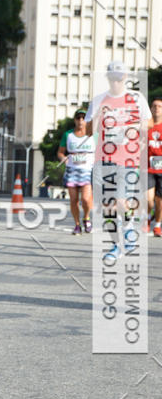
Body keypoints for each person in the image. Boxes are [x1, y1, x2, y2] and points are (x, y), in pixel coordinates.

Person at [86, 61, 151, 259]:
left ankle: (129, 226)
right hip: (102, 160)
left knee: (121, 203)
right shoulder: (98, 100)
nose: (116, 81)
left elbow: (145, 125)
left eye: (119, 77)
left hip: (126, 159)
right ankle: (116, 245)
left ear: (125, 77)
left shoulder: (137, 99)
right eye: (113, 77)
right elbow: (89, 132)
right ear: (108, 78)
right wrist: (98, 115)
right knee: (107, 207)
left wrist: (137, 137)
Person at [57, 110, 95, 234]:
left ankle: (86, 217)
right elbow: (61, 152)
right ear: (74, 120)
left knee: (85, 199)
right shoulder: (68, 135)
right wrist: (63, 159)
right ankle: (77, 225)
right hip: (72, 171)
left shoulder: (94, 135)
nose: (80, 121)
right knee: (73, 200)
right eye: (78, 118)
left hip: (87, 171)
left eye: (83, 118)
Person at [147, 98, 162, 237]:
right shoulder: (146, 126)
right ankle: (147, 216)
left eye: (159, 106)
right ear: (150, 109)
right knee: (149, 199)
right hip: (148, 168)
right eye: (154, 106)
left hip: (161, 169)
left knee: (159, 201)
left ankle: (157, 225)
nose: (156, 108)